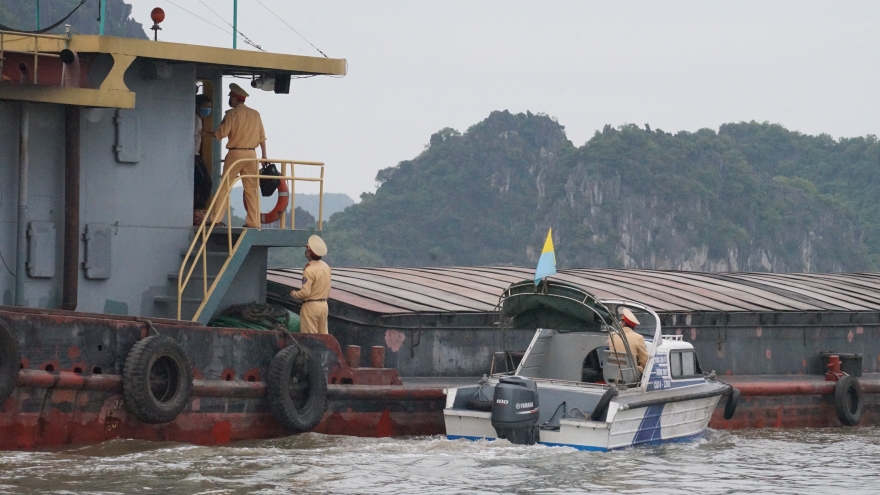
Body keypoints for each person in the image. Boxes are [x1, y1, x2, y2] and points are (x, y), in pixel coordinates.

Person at [210, 83, 267, 228]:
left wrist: (205, 133)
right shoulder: (256, 114)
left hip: (235, 153)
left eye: (231, 97)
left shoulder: (231, 114)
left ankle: (215, 219)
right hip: (252, 155)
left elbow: (221, 134)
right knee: (251, 189)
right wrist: (264, 156)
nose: (230, 100)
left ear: (234, 99)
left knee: (225, 187)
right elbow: (262, 138)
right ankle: (253, 222)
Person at [289, 236, 331, 334]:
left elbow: (305, 292)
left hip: (311, 306)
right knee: (323, 336)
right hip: (324, 305)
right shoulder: (326, 267)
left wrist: (294, 294)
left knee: (310, 337)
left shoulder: (309, 270)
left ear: (308, 253)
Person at [608, 307, 649, 373]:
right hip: (630, 375)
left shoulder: (612, 335)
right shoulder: (638, 338)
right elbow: (645, 361)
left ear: (624, 323)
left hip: (612, 372)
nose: (620, 323)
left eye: (621, 321)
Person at [193, 94, 213, 225]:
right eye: (205, 107)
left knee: (202, 183)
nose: (208, 109)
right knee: (205, 182)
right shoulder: (195, 120)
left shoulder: (199, 120)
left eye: (209, 107)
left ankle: (197, 209)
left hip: (196, 155)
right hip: (193, 155)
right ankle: (197, 209)